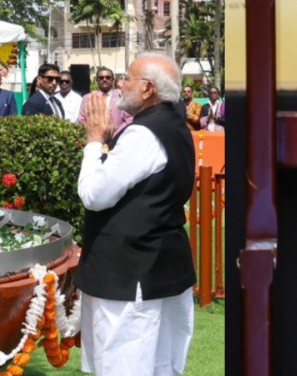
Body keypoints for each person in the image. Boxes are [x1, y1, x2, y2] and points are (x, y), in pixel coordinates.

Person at [77, 54, 195, 375]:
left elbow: (94, 195)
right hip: (160, 264)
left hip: (131, 272)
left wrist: (94, 143)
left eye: (126, 78)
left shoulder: (142, 134)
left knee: (124, 363)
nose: (119, 84)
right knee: (159, 363)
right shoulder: (175, 126)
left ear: (147, 89)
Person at [79, 67, 132, 135]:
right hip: (94, 138)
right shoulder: (87, 98)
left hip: (117, 138)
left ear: (113, 80)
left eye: (108, 77)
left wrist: (116, 134)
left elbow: (129, 119)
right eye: (101, 77)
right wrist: (94, 133)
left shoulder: (122, 96)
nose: (104, 79)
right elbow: (81, 119)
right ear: (97, 80)